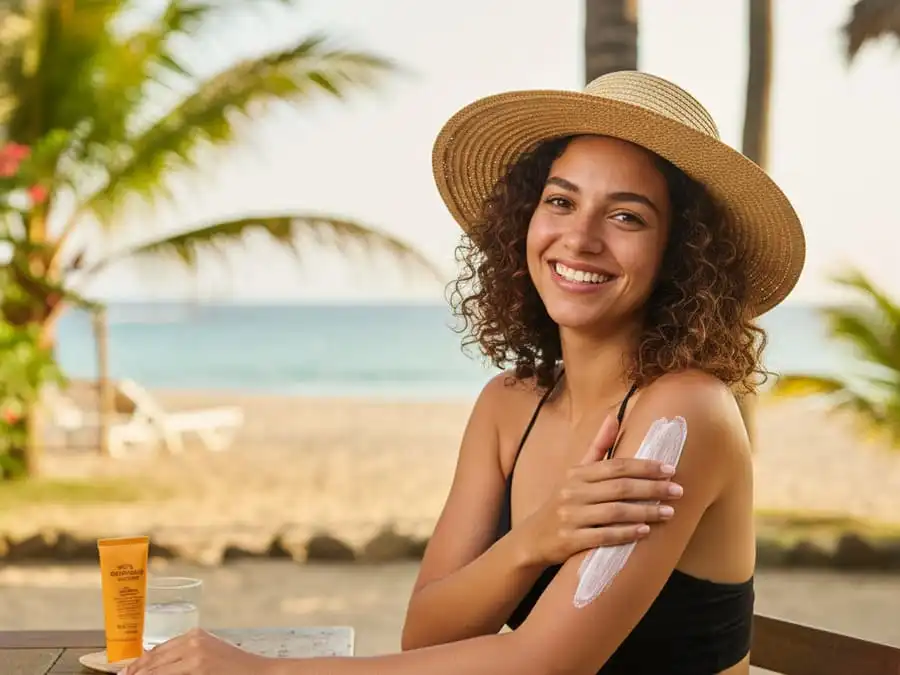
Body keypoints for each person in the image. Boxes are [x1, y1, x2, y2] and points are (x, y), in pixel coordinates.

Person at [123, 70, 805, 675]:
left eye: (627, 215)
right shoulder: (509, 405)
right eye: (561, 201)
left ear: (681, 256)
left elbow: (545, 661)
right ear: (525, 222)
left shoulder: (685, 413)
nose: (581, 236)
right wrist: (535, 538)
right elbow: (425, 635)